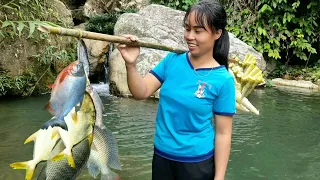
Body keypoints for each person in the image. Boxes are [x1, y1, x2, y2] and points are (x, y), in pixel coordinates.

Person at [117, 0, 236, 179]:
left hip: (197, 163)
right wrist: (131, 64)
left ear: (217, 33)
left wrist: (219, 177)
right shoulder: (173, 60)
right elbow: (141, 92)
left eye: (198, 31)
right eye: (187, 28)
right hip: (162, 157)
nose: (189, 36)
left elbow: (223, 134)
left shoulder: (223, 80)